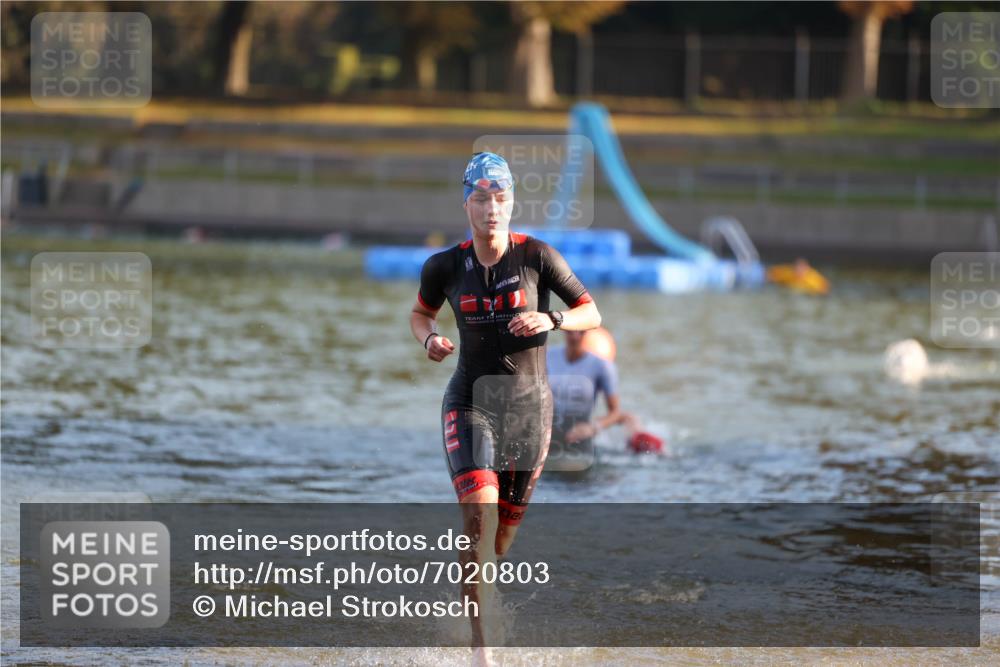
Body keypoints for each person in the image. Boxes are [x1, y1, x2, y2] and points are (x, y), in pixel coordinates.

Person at [409, 151, 601, 661]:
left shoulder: (538, 256)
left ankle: (473, 600)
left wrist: (551, 322)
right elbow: (419, 314)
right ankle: (481, 653)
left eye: (500, 198)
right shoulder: (444, 266)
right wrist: (428, 340)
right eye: (481, 199)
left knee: (499, 542)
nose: (491, 208)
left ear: (511, 203)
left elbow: (591, 312)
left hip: (529, 413)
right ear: (466, 204)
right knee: (480, 518)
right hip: (470, 401)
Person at [546, 329, 640, 472]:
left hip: (578, 431)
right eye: (570, 331)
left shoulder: (603, 366)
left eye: (581, 332)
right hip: (549, 427)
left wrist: (592, 428)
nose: (574, 336)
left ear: (587, 333)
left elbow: (615, 412)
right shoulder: (548, 356)